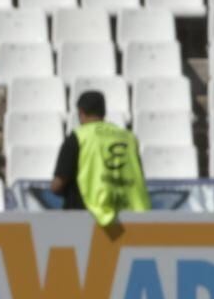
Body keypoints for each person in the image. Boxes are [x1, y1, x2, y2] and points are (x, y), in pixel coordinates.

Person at [51, 90, 149, 226]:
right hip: (129, 218)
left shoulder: (78, 137)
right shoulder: (129, 137)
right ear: (104, 112)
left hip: (87, 219)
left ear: (81, 112)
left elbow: (57, 185)